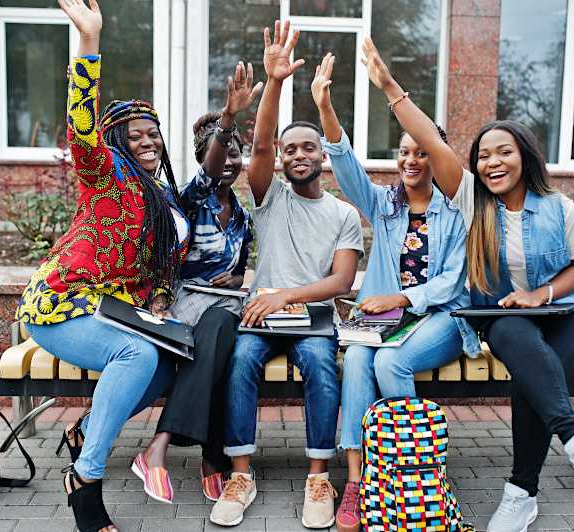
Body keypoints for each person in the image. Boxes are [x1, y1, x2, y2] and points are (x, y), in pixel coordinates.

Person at [359, 37, 574, 532]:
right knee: (518, 345)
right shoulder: (472, 201)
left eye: (504, 152)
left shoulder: (558, 207)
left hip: (571, 316)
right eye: (483, 156)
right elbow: (431, 143)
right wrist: (391, 88)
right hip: (506, 319)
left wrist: (541, 294)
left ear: (525, 156)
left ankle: (523, 492)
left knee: (536, 377)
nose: (492, 162)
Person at [15, 1, 189, 530]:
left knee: (165, 365)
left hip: (114, 311)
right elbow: (81, 128)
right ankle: (86, 478)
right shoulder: (106, 172)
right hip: (61, 304)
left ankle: (86, 429)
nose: (147, 140)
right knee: (136, 354)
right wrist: (88, 43)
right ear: (116, 143)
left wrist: (159, 299)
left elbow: (157, 267)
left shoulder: (162, 196)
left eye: (152, 132)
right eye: (134, 134)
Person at [310, 52, 481, 532]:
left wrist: (402, 299)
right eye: (405, 151)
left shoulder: (458, 209)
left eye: (422, 151)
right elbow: (344, 169)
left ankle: (414, 475)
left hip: (443, 318)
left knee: (388, 361)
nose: (410, 159)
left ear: (438, 157)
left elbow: (454, 281)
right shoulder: (385, 205)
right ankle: (358, 482)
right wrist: (325, 107)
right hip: (384, 323)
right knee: (361, 360)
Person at [209, 20, 364, 530]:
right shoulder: (268, 197)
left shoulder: (342, 213)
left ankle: (319, 476)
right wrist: (274, 81)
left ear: (323, 157)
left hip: (312, 319)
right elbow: (257, 149)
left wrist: (285, 296)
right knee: (241, 363)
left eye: (308, 148)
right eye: (289, 149)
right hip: (260, 315)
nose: (298, 155)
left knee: (323, 369)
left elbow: (341, 282)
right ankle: (240, 474)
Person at [133, 67, 261, 504]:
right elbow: (208, 170)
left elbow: (241, 267)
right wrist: (228, 118)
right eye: (220, 153)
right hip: (186, 308)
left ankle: (168, 447)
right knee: (218, 334)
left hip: (222, 307)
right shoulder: (191, 197)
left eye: (235, 154)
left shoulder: (242, 216)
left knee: (222, 339)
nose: (228, 161)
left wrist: (241, 277)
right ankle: (206, 458)